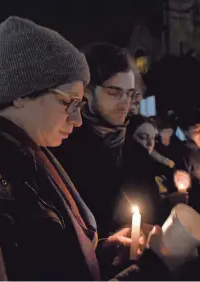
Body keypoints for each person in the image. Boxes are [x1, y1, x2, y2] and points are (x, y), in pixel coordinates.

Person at [0, 16, 168, 281]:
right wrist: (149, 271)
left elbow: (47, 258)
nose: (78, 119)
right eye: (69, 104)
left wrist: (96, 253)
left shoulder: (31, 154)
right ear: (21, 94)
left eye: (79, 105)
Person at [51, 42, 141, 238]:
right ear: (87, 90)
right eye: (114, 91)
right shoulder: (63, 145)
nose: (125, 102)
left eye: (130, 93)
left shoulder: (134, 146)